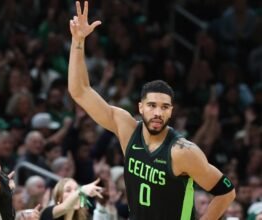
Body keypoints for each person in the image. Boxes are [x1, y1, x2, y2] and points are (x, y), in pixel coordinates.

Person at [67, 1, 236, 220]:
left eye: (164, 107)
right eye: (152, 105)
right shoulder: (126, 128)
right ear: (140, 107)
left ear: (171, 111)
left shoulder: (183, 152)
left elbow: (226, 193)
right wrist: (78, 41)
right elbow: (80, 91)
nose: (158, 112)